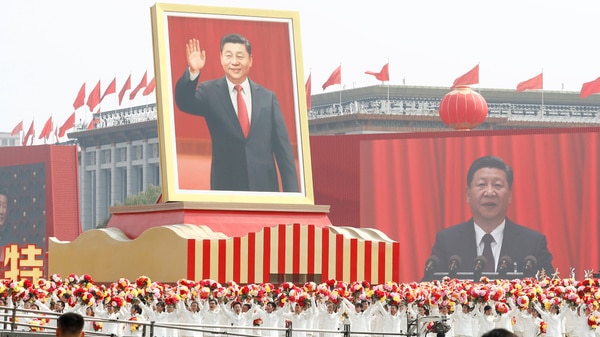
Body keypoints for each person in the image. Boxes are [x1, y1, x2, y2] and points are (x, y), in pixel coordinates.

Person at [175, 33, 299, 193]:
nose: (234, 62)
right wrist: (193, 71)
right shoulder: (210, 92)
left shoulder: (268, 98)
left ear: (250, 60)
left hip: (265, 191)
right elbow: (184, 102)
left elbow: (284, 152)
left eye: (240, 56)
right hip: (227, 190)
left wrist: (293, 197)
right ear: (221, 58)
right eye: (228, 56)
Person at [423, 156, 554, 280]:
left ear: (509, 195)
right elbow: (429, 291)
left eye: (497, 185)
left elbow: (550, 293)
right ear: (468, 194)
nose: (490, 192)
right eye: (481, 185)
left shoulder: (532, 244)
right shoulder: (447, 242)